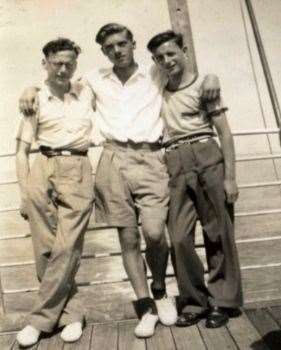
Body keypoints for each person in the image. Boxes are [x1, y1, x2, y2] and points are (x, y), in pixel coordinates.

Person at [18, 24, 217, 338]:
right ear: (103, 51)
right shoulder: (94, 79)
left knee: (154, 232)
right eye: (109, 47)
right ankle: (145, 307)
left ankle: (160, 289)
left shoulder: (156, 73)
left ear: (133, 43)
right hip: (112, 159)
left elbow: (186, 71)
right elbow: (58, 81)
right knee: (127, 239)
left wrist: (211, 78)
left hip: (151, 158)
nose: (117, 50)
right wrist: (30, 89)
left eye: (122, 44)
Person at [147, 30, 243, 328]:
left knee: (217, 232)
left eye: (171, 53)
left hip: (206, 155)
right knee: (178, 236)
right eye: (160, 57)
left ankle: (222, 302)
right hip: (174, 160)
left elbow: (224, 133)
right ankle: (193, 300)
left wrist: (230, 178)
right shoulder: (157, 86)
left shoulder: (205, 85)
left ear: (184, 50)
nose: (167, 60)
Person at [15, 38, 95, 347]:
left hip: (77, 166)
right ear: (45, 63)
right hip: (42, 165)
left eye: (69, 63)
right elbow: (21, 151)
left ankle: (39, 320)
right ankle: (72, 314)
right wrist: (25, 192)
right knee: (45, 247)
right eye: (57, 63)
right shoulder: (33, 100)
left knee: (67, 245)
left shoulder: (87, 91)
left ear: (76, 64)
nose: (63, 69)